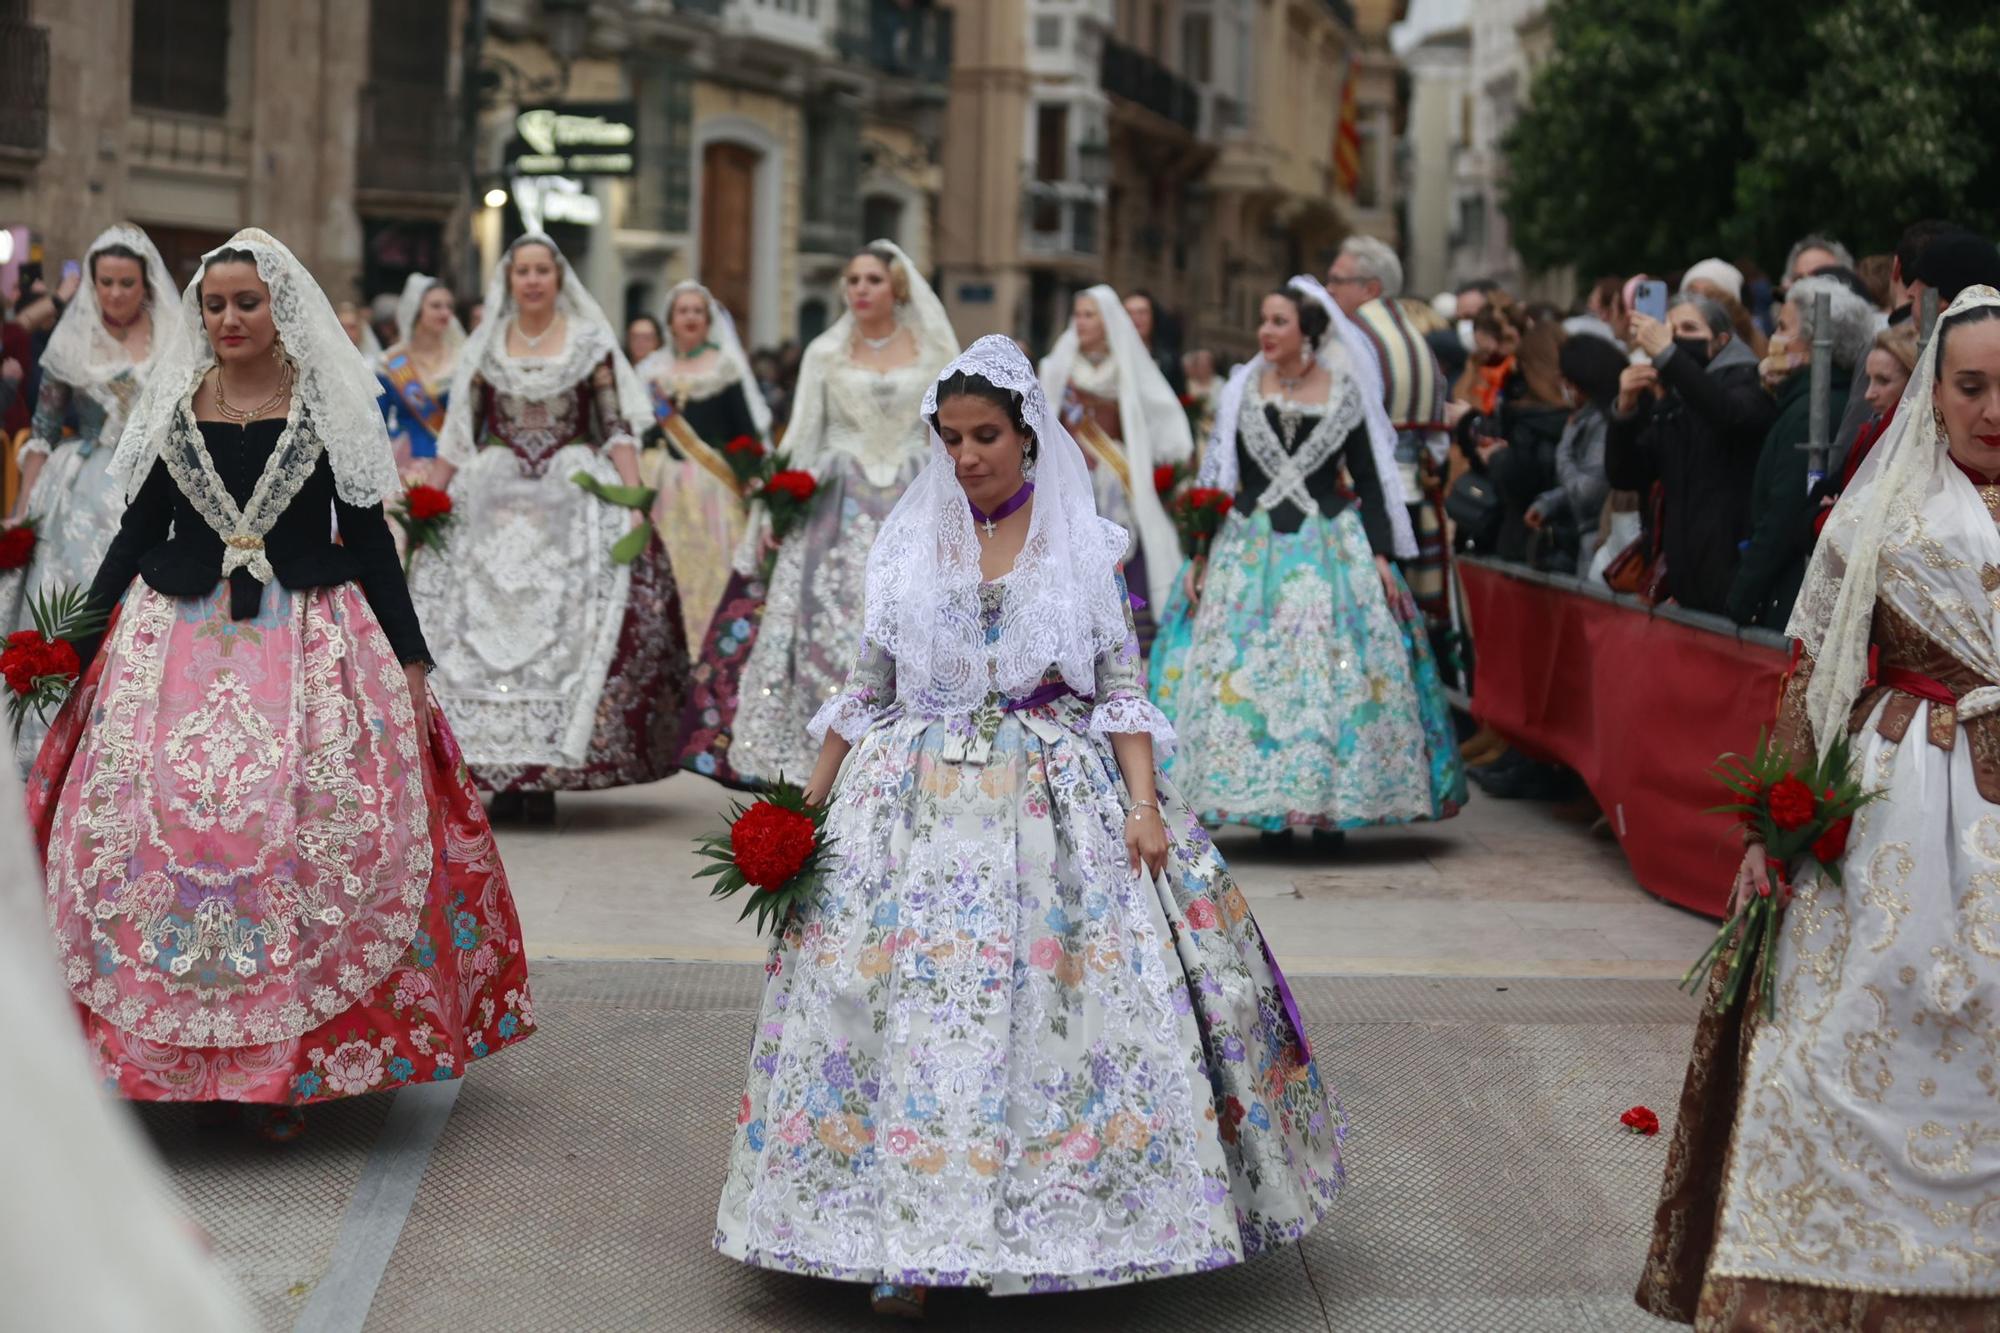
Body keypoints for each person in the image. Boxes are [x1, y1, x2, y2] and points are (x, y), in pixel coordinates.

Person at [714, 336, 1346, 1312]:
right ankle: (902, 1244)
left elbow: (1121, 688)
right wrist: (801, 808)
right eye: (951, 438)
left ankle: (1061, 1226)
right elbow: (863, 692)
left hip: (1051, 801)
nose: (966, 456)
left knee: (1050, 1017)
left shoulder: (1083, 547)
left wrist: (1142, 807)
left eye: (985, 436)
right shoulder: (905, 546)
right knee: (893, 1018)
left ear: (1025, 436)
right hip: (909, 806)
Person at [27, 228, 532, 1125]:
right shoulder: (177, 403)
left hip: (310, 638)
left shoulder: (328, 406)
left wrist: (411, 660)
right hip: (172, 643)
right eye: (214, 305)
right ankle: (164, 1053)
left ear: (280, 310)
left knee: (299, 831)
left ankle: (283, 1065)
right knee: (162, 832)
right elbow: (138, 534)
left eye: (246, 303)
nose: (228, 318)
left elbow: (369, 540)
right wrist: (73, 641)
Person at [1638, 284, 2000, 1331]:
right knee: (1840, 1028)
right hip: (1894, 803)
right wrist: (1773, 829)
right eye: (1969, 388)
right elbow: (1815, 675)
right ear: (1931, 393)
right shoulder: (1878, 509)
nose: (1989, 410)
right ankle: (1828, 1276)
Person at [1149, 277, 1462, 840]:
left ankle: (1327, 804)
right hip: (1251, 544)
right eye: (1264, 321)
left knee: (1328, 670)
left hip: (1329, 542)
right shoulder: (1244, 389)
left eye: (1278, 322)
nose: (1265, 332)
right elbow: (1221, 480)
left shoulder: (1344, 391)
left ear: (1308, 333)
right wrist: (1201, 553)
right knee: (1247, 667)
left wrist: (1383, 557)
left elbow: (1368, 476)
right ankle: (1263, 801)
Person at [413, 233, 687, 819]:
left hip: (572, 490)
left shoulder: (589, 342)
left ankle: (547, 775)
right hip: (493, 492)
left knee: (578, 618)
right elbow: (460, 434)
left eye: (542, 270)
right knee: (468, 621)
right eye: (523, 271)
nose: (533, 280)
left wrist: (633, 498)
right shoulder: (486, 345)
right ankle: (489, 770)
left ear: (559, 278)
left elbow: (615, 426)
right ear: (509, 280)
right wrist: (429, 503)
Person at [678, 241, 956, 788]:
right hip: (838, 500)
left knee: (909, 615)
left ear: (896, 287)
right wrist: (771, 515)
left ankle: (904, 746)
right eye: (852, 280)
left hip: (911, 497)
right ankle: (817, 756)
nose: (860, 290)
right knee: (825, 620)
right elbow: (802, 433)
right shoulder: (824, 354)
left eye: (872, 279)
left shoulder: (933, 352)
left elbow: (949, 430)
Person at [2, 227, 181, 768]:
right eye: (106, 282)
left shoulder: (175, 336)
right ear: (94, 284)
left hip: (160, 483)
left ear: (146, 284)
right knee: (73, 603)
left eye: (127, 282)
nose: (116, 293)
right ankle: (53, 744)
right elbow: (45, 427)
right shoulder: (72, 339)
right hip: (85, 486)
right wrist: (20, 511)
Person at [1605, 293, 1776, 616]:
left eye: (1688, 328)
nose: (1674, 338)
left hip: (1733, 581)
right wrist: (1624, 410)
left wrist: (1669, 356)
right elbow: (1626, 474)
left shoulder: (1748, 382)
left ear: (1720, 341)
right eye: (1669, 329)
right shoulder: (1675, 398)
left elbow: (1726, 413)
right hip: (1686, 589)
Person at [1037, 283, 1192, 633]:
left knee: (1122, 534)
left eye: (1089, 315)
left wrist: (1170, 456)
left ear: (1107, 320)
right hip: (1072, 471)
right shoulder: (1057, 366)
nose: (1081, 322)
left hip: (1116, 471)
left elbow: (1158, 413)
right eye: (1077, 314)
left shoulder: (1126, 365)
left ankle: (1126, 622)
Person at [1725, 275, 1874, 629]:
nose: (1773, 338)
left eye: (1782, 327)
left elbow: (1783, 514)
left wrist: (1740, 599)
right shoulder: (1801, 402)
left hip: (1791, 596)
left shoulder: (1809, 412)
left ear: (1811, 345)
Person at [633, 281, 772, 644]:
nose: (691, 317)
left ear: (708, 320)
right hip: (661, 487)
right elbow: (638, 428)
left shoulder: (723, 368)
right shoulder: (652, 371)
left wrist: (753, 478)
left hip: (711, 490)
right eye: (684, 311)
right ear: (671, 321)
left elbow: (743, 431)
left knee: (713, 573)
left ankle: (711, 646)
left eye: (698, 311)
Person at [1529, 333, 1626, 573]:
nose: (1564, 387)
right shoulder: (1591, 418)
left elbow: (1586, 492)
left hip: (1602, 547)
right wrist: (1548, 503)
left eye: (1567, 380)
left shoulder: (1603, 423)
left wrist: (1565, 444)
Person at [375, 272, 464, 469]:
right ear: (416, 310)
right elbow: (377, 421)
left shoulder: (463, 359)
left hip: (453, 463)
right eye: (436, 306)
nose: (445, 313)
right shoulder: (392, 362)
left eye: (449, 306)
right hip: (404, 463)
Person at [1122, 288, 1186, 395]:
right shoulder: (1110, 354)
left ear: (1153, 317)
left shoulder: (1168, 360)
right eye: (1129, 313)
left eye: (1142, 312)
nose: (1136, 318)